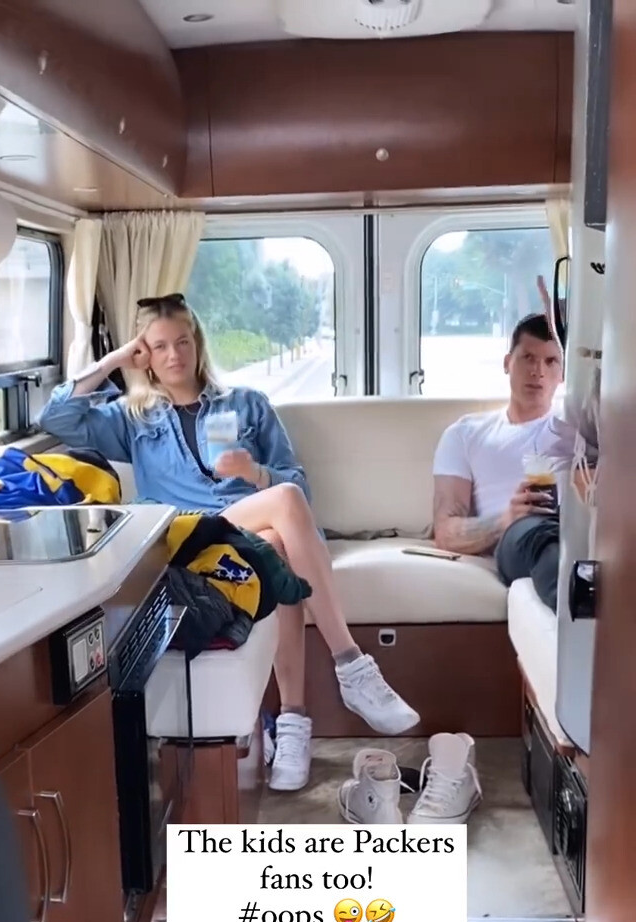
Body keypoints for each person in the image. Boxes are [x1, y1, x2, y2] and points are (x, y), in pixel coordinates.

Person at [37, 293, 419, 790]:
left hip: (250, 530)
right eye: (159, 346)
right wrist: (115, 360)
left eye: (182, 341)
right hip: (190, 536)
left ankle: (294, 724)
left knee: (278, 542)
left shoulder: (247, 404)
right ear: (144, 354)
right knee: (281, 508)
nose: (174, 355)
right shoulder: (132, 417)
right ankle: (351, 666)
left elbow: (297, 486)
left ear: (197, 343)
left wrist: (254, 472)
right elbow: (56, 418)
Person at [433, 301, 572, 613]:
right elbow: (445, 532)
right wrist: (507, 519)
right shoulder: (465, 434)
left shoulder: (578, 426)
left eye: (551, 361)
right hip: (518, 536)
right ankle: (578, 610)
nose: (538, 371)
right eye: (528, 358)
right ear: (508, 362)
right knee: (539, 534)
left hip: (576, 532)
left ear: (563, 373)